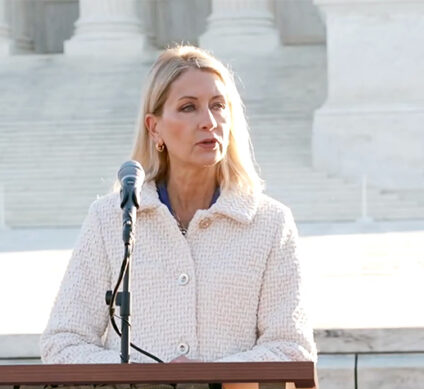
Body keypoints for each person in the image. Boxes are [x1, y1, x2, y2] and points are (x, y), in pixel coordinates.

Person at [40, 46, 316, 365]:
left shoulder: (270, 223)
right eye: (189, 108)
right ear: (154, 127)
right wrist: (149, 383)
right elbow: (63, 343)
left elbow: (291, 348)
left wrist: (207, 379)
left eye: (218, 105)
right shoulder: (111, 218)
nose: (209, 121)